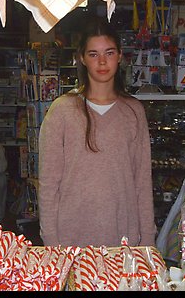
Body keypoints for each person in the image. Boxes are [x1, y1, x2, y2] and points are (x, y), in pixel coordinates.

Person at [38, 21, 156, 248]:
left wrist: (148, 242)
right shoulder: (62, 110)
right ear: (82, 58)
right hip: (71, 240)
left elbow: (142, 182)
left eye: (109, 53)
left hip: (123, 241)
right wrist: (51, 242)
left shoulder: (133, 112)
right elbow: (49, 184)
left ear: (120, 56)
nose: (102, 62)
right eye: (93, 54)